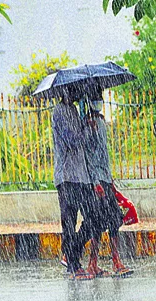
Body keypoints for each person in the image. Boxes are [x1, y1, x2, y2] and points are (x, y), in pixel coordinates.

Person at [83, 89, 133, 278]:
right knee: (97, 223)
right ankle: (94, 264)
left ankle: (115, 260)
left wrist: (109, 179)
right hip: (96, 181)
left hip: (105, 178)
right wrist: (96, 182)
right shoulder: (88, 125)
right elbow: (89, 156)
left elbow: (104, 154)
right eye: (96, 99)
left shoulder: (101, 122)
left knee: (113, 221)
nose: (99, 102)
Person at [52, 88, 99, 280]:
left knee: (95, 217)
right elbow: (71, 140)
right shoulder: (60, 111)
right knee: (69, 223)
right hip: (67, 176)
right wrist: (85, 130)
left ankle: (71, 252)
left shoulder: (73, 110)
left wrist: (88, 127)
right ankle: (73, 264)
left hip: (81, 176)